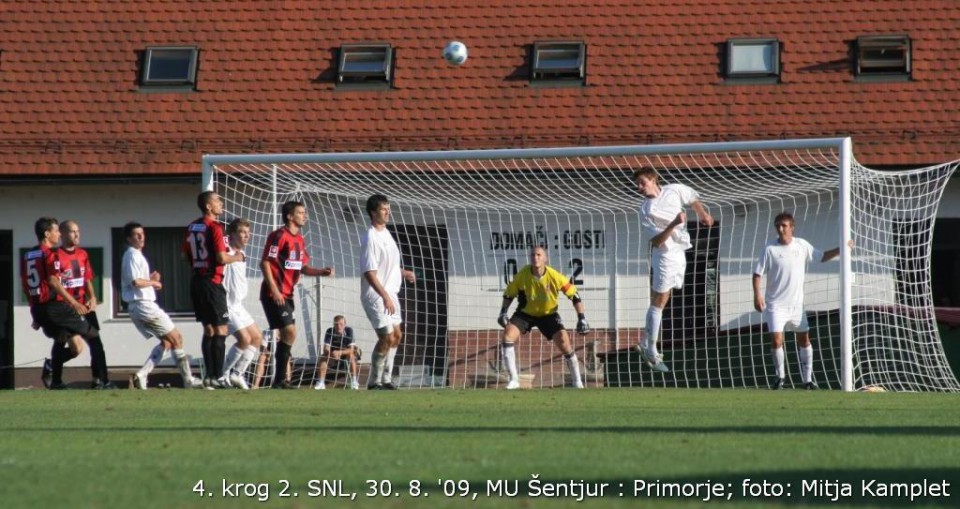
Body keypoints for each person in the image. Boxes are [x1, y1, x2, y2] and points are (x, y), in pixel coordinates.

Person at [753, 212, 849, 390]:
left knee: (804, 340)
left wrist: (841, 249)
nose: (780, 229)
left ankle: (807, 380)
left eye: (784, 225)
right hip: (775, 305)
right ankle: (779, 378)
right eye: (778, 226)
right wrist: (757, 295)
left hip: (797, 306)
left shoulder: (801, 245)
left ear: (792, 227)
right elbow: (757, 274)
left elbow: (820, 256)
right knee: (776, 341)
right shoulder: (769, 249)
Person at [634, 167, 714, 373]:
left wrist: (702, 213)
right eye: (637, 184)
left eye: (642, 182)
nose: (639, 187)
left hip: (680, 252)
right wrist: (674, 223)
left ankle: (647, 343)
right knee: (659, 300)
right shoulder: (646, 209)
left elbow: (692, 198)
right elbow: (657, 241)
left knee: (664, 298)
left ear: (653, 180)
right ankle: (650, 348)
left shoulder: (674, 190)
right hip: (664, 255)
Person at [260, 200, 334, 389]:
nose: (305, 215)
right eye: (301, 212)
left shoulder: (299, 240)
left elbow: (302, 267)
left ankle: (280, 380)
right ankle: (279, 379)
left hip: (288, 294)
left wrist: (321, 272)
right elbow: (265, 262)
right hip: (273, 293)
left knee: (288, 335)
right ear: (290, 216)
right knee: (289, 332)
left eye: (304, 212)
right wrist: (275, 290)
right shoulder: (278, 236)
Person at [121, 222, 202, 389]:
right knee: (176, 338)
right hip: (143, 305)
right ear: (129, 239)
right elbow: (136, 282)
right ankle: (189, 380)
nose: (141, 237)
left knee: (167, 342)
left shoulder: (136, 255)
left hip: (141, 305)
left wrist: (150, 279)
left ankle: (142, 374)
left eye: (142, 233)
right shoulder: (132, 255)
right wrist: (154, 283)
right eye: (136, 234)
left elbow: (137, 280)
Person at [497, 246, 590, 390]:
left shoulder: (555, 276)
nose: (536, 258)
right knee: (508, 335)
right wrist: (503, 312)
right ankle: (514, 380)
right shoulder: (523, 275)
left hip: (549, 315)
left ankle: (577, 381)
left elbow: (575, 296)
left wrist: (582, 318)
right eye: (533, 255)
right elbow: (509, 294)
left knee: (565, 343)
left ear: (545, 258)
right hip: (525, 313)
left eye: (539, 255)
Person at [21, 217, 90, 389]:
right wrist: (74, 302)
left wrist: (34, 312)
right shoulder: (50, 254)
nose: (59, 234)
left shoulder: (29, 254)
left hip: (38, 308)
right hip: (53, 306)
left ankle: (53, 372)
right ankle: (98, 379)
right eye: (56, 230)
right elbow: (54, 282)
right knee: (90, 332)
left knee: (73, 346)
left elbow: (26, 284)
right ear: (47, 233)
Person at [183, 191, 243, 389]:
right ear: (208, 206)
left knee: (208, 329)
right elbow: (221, 258)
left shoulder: (192, 226)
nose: (221, 203)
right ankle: (217, 376)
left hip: (196, 281)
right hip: (212, 282)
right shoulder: (215, 227)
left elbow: (185, 255)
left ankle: (209, 377)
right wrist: (237, 257)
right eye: (217, 200)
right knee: (221, 329)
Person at [360, 194, 416, 390]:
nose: (388, 212)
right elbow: (369, 272)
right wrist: (384, 296)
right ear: (373, 212)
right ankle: (374, 381)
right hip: (375, 295)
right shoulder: (371, 237)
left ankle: (386, 379)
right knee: (386, 336)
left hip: (390, 292)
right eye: (384, 209)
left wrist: (403, 272)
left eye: (388, 208)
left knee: (397, 336)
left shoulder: (387, 234)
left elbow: (387, 266)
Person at [58, 220, 114, 389]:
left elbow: (87, 278)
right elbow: (55, 284)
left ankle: (101, 380)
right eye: (72, 231)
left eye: (78, 231)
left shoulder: (82, 254)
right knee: (75, 349)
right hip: (67, 309)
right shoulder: (56, 256)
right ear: (62, 233)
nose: (77, 235)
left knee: (96, 343)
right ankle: (53, 370)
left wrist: (92, 297)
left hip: (84, 307)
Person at [220, 217, 264, 390]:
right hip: (226, 305)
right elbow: (221, 252)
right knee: (244, 339)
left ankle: (237, 374)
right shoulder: (227, 250)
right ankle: (221, 375)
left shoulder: (242, 254)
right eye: (243, 232)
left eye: (248, 233)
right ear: (232, 234)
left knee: (257, 338)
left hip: (239, 305)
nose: (247, 236)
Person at [314, 315, 359, 390]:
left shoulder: (349, 331)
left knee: (351, 356)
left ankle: (354, 381)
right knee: (323, 358)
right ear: (333, 324)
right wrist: (332, 353)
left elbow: (351, 349)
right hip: (333, 354)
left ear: (345, 324)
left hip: (346, 354)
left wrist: (340, 352)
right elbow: (326, 348)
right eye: (336, 324)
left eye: (341, 324)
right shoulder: (329, 331)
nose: (338, 326)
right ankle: (321, 382)